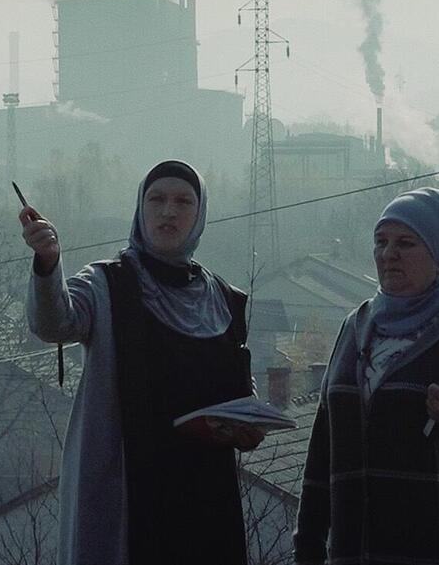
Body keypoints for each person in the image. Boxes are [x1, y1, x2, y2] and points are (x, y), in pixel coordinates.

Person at [20, 159, 261, 565]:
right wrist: (48, 262)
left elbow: (240, 393)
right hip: (129, 492)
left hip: (205, 499)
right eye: (157, 199)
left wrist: (249, 427)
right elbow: (55, 322)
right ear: (140, 207)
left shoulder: (222, 298)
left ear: (200, 214)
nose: (168, 211)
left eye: (183, 202)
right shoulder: (107, 283)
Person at [294, 186, 439, 565]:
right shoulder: (356, 326)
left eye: (406, 243)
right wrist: (308, 546)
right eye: (381, 241)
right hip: (356, 550)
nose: (388, 254)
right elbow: (323, 451)